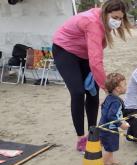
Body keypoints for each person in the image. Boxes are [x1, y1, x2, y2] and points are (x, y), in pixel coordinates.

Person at [52, 0, 131, 153]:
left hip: (83, 53)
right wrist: (107, 88)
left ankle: (93, 134)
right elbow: (96, 61)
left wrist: (100, 84)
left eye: (121, 18)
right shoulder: (92, 22)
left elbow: (94, 56)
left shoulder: (104, 22)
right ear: (105, 13)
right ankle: (81, 139)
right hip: (65, 50)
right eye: (115, 17)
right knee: (78, 92)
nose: (118, 21)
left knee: (92, 93)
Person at [99, 73, 130, 165]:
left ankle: (110, 160)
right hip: (109, 128)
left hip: (103, 126)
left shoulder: (109, 97)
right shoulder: (116, 102)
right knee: (109, 148)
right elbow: (111, 116)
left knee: (111, 146)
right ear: (117, 88)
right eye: (124, 84)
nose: (126, 86)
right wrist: (121, 124)